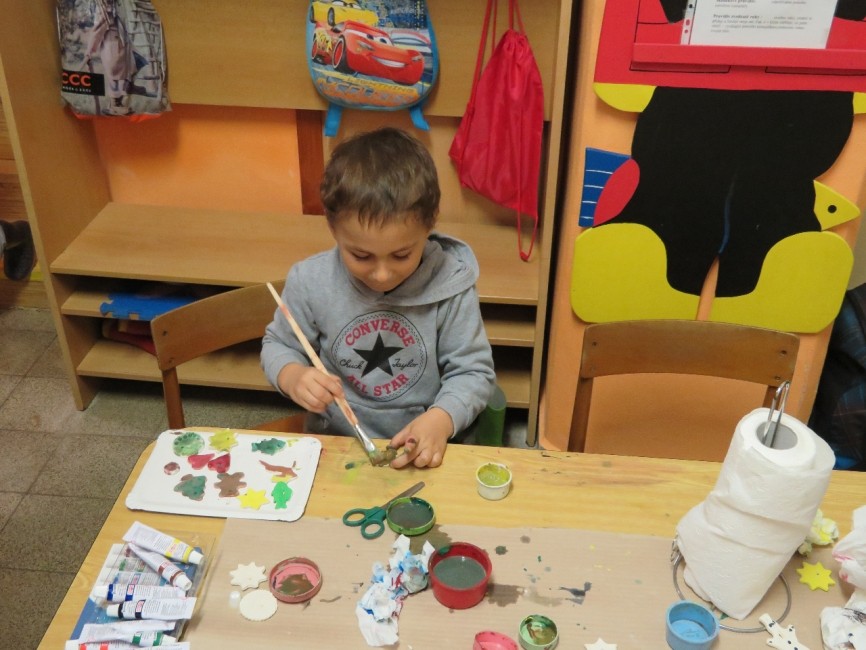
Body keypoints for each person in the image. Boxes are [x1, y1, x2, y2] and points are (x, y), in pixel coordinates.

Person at [261, 127, 496, 469]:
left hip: (425, 445)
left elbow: (473, 373)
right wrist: (292, 375)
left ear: (430, 224)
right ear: (333, 228)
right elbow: (278, 344)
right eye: (361, 256)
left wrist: (442, 419)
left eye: (401, 255)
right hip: (336, 441)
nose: (382, 275)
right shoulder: (310, 281)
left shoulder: (451, 284)